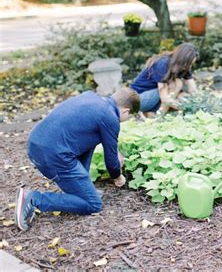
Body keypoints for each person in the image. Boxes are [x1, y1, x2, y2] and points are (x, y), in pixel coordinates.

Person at [15, 88, 140, 231]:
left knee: (93, 138)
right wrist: (118, 177)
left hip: (36, 144)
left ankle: (82, 188)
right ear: (126, 111)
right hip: (52, 156)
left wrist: (113, 148)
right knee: (93, 204)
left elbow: (97, 137)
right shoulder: (110, 118)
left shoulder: (91, 97)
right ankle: (33, 199)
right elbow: (111, 162)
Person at [130, 43, 199, 116]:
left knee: (183, 96)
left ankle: (150, 113)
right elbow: (165, 98)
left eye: (191, 64)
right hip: (138, 99)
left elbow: (193, 90)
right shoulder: (162, 63)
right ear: (181, 59)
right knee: (176, 84)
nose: (189, 67)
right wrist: (187, 108)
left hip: (154, 98)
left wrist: (199, 103)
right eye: (188, 64)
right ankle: (160, 116)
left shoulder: (184, 67)